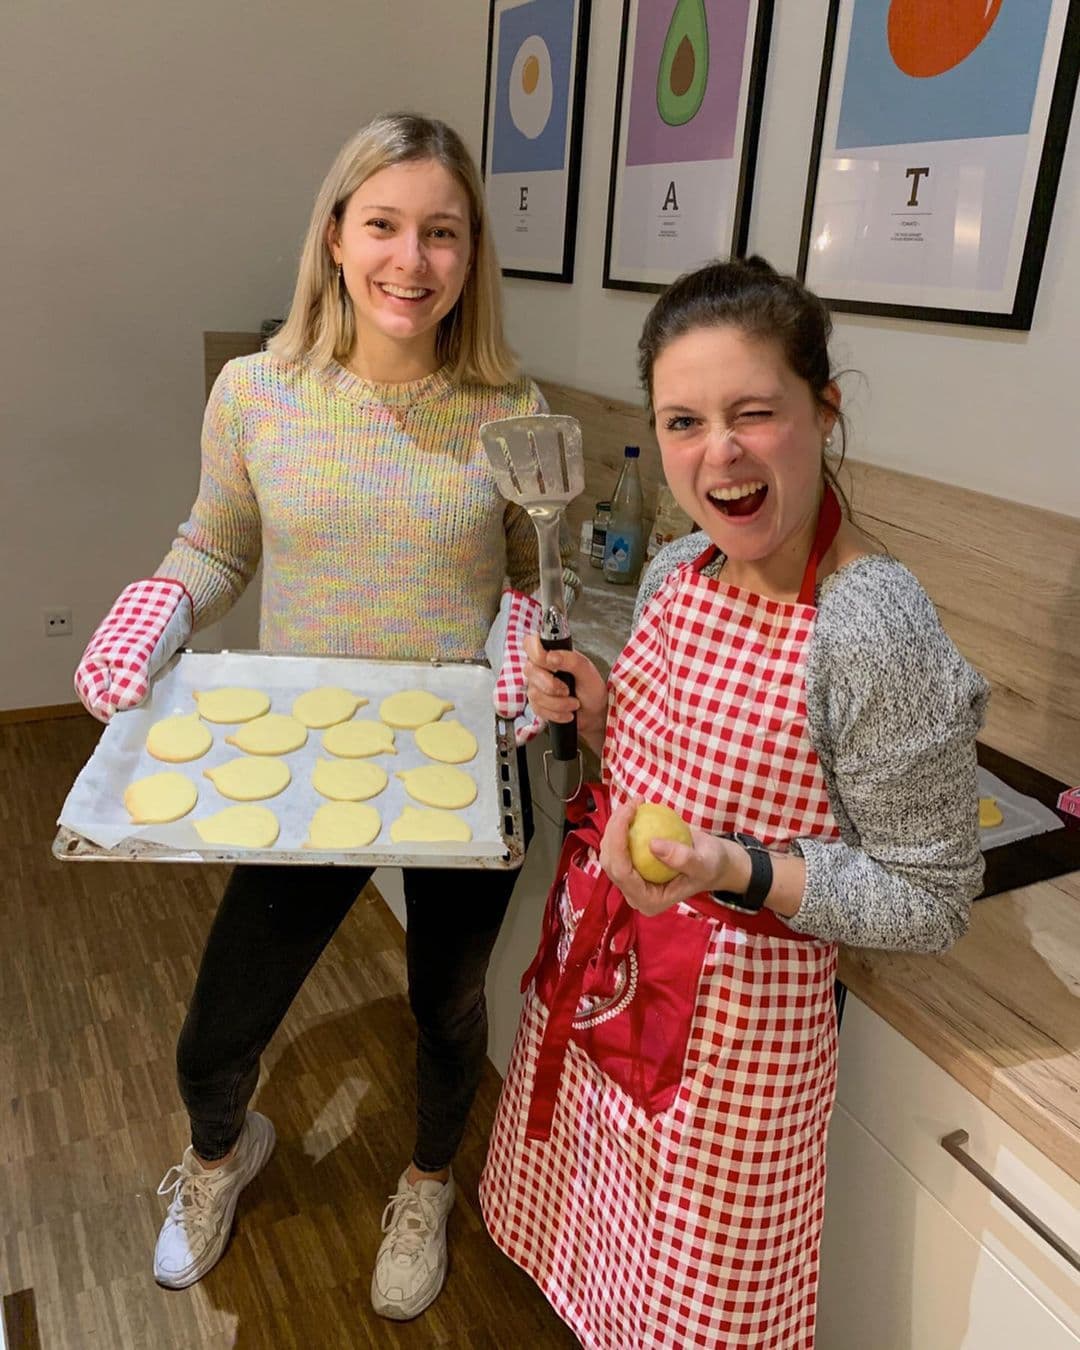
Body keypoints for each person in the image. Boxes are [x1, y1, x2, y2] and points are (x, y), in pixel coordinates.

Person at [73, 112, 574, 1322]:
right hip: (309, 759)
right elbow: (216, 544)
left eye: (442, 232)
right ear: (337, 236)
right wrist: (161, 602)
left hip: (458, 761)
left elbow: (528, 573)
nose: (412, 259)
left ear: (471, 252)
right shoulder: (257, 392)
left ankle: (427, 1183)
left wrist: (526, 629)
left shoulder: (507, 404)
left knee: (447, 1007)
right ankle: (218, 1154)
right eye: (385, 225)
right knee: (218, 1027)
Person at [479, 256, 988, 1349]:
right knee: (605, 1266)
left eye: (753, 412)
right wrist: (600, 712)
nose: (720, 452)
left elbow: (930, 895)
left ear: (824, 410)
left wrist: (731, 866)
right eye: (684, 421)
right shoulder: (679, 570)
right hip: (612, 980)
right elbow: (673, 763)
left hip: (737, 1054)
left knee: (700, 1311)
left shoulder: (871, 625)